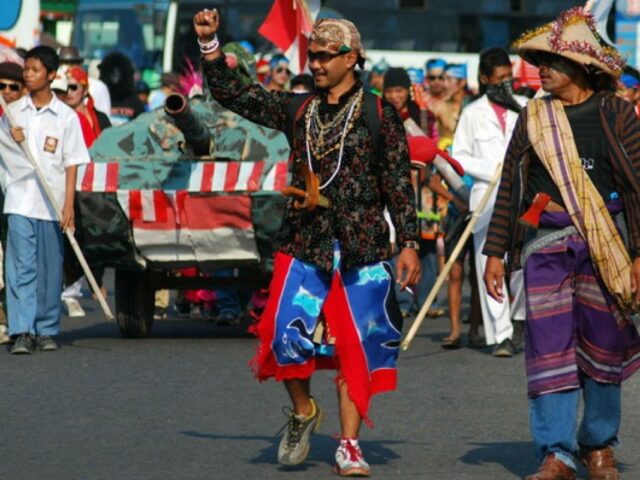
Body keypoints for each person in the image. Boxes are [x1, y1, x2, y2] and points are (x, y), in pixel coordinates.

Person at [194, 9, 420, 476]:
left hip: (362, 249)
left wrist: (411, 243)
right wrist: (211, 46)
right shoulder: (299, 108)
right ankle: (303, 412)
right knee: (282, 336)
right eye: (311, 55)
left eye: (323, 56)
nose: (314, 63)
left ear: (351, 58)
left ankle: (350, 444)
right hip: (305, 243)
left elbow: (398, 182)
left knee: (355, 346)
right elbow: (239, 95)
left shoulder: (380, 114)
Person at [483, 8, 640, 480]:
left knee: (603, 346)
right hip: (546, 244)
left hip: (606, 245)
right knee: (548, 349)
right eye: (537, 61)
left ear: (580, 64)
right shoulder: (533, 117)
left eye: (550, 60)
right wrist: (495, 253)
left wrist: (638, 255)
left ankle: (599, 447)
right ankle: (557, 452)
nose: (541, 69)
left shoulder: (616, 112)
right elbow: (512, 187)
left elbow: (637, 186)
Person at [3, 46, 90, 354]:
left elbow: (72, 162)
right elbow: (5, 157)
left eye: (35, 70)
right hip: (19, 199)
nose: (28, 74)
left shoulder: (66, 117)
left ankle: (46, 328)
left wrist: (69, 205)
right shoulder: (12, 113)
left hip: (52, 202)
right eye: (26, 69)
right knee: (21, 267)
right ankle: (22, 329)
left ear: (51, 75)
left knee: (49, 268)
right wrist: (12, 140)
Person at [452, 47, 528, 357]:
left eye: (509, 77)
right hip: (485, 197)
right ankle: (502, 335)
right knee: (488, 263)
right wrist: (489, 169)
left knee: (522, 261)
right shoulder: (472, 113)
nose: (506, 84)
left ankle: (520, 317)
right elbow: (459, 155)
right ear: (485, 79)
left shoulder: (524, 107)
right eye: (499, 80)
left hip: (521, 197)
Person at [0, 60, 25, 345]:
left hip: (16, 194)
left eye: (13, 87)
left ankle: (11, 313)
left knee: (14, 256)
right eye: (1, 86)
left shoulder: (26, 116)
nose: (6, 92)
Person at [58, 46, 111, 118]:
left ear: (79, 64)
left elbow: (105, 120)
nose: (68, 67)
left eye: (73, 63)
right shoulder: (54, 85)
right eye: (63, 63)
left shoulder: (98, 87)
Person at [99, 52, 146, 126]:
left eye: (118, 72)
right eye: (113, 72)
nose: (115, 76)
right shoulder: (99, 100)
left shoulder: (135, 103)